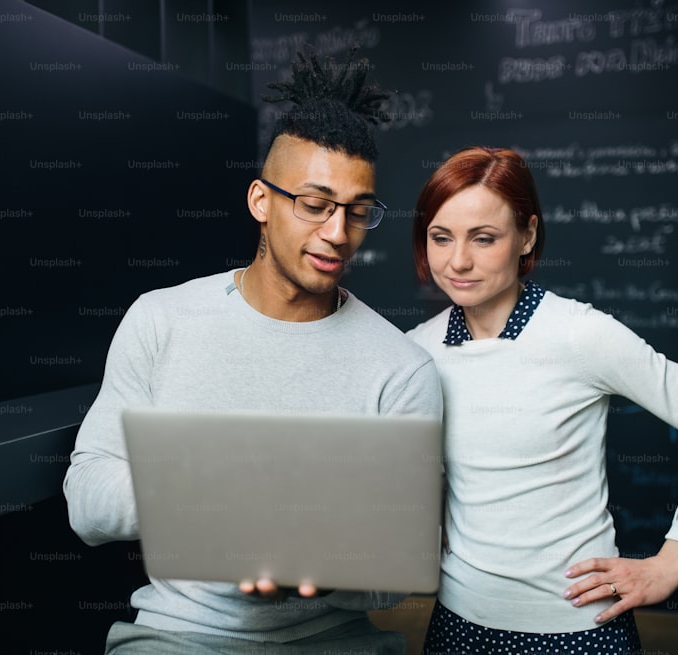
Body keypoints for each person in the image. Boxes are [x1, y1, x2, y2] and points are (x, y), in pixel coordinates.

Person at [63, 47, 442, 655]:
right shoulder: (161, 320)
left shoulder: (401, 369)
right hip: (176, 639)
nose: (337, 233)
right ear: (261, 201)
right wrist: (225, 501)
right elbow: (87, 501)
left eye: (358, 212)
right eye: (315, 205)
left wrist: (320, 573)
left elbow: (400, 568)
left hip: (333, 642)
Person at [406, 146, 678, 654]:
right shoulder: (417, 348)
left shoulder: (580, 336)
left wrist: (677, 557)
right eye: (440, 238)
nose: (457, 260)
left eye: (484, 238)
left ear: (527, 235)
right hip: (458, 624)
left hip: (576, 631)